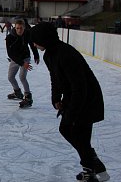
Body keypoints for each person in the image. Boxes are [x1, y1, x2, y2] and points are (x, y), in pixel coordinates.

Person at [30, 22, 109, 182]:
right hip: (75, 97)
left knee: (69, 129)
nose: (34, 44)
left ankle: (92, 169)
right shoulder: (49, 55)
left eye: (35, 40)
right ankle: (94, 168)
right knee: (77, 136)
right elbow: (55, 78)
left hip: (87, 99)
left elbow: (80, 87)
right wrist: (56, 98)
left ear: (44, 38)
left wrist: (72, 112)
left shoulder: (66, 54)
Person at [5, 18, 40, 108]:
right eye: (17, 28)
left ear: (24, 28)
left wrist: (36, 55)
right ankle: (17, 92)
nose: (19, 30)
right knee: (10, 77)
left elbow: (32, 45)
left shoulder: (27, 34)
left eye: (21, 28)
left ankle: (28, 97)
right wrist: (21, 63)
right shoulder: (10, 37)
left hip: (25, 57)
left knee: (22, 77)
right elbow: (10, 53)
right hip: (15, 58)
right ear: (15, 28)